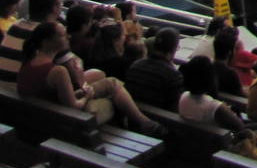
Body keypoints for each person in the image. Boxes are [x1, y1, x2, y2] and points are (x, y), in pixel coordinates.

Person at [18, 21, 162, 133]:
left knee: (111, 82)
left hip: (43, 117)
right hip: (64, 124)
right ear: (46, 41)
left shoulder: (29, 61)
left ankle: (144, 122)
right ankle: (144, 123)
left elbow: (54, 96)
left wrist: (81, 92)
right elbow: (73, 107)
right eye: (62, 35)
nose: (68, 36)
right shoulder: (58, 71)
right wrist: (87, 95)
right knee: (114, 91)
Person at [178, 54, 247, 131]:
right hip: (213, 141)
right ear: (210, 78)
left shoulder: (183, 97)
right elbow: (240, 127)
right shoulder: (215, 107)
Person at [124, 26, 184, 109]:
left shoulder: (136, 65)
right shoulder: (173, 76)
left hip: (131, 117)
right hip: (157, 119)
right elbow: (173, 109)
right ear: (173, 49)